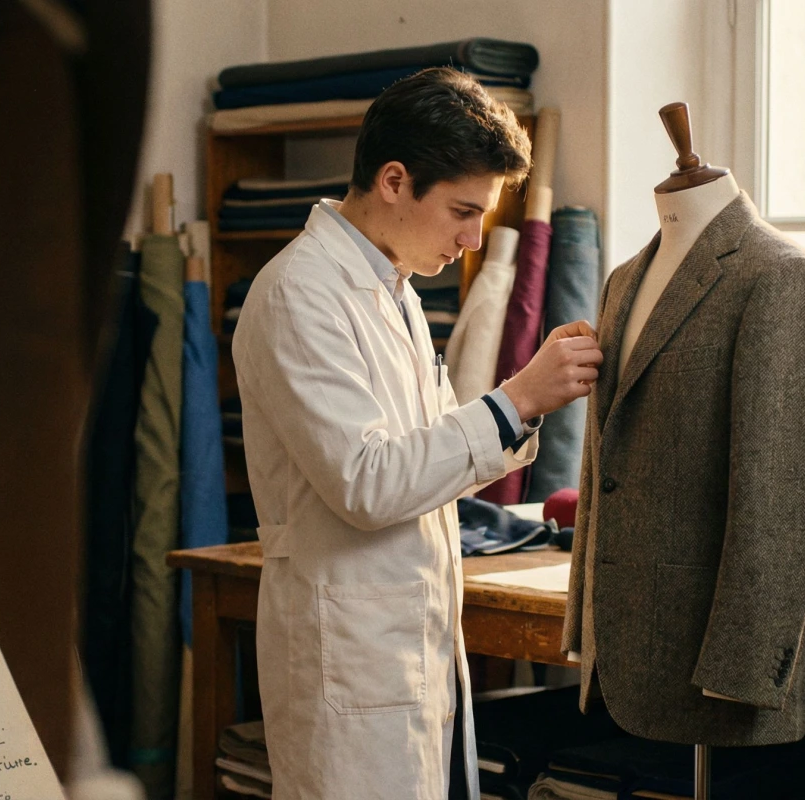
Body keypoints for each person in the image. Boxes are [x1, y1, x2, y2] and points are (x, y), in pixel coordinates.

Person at [231, 67, 602, 800]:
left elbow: (428, 460)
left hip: (414, 652)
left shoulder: (394, 290)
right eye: (463, 211)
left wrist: (524, 409)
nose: (471, 239)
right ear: (394, 181)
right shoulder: (299, 293)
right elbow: (368, 484)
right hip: (350, 665)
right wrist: (514, 397)